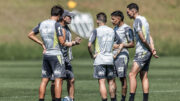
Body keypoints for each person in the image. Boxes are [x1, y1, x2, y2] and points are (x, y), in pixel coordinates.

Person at [28, 5, 64, 101]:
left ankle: (41, 99)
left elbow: (30, 34)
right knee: (58, 79)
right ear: (59, 15)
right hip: (56, 55)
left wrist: (41, 43)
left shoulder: (41, 24)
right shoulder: (57, 25)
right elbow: (62, 41)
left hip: (46, 55)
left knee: (44, 80)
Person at [126, 3, 159, 101]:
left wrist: (149, 48)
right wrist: (153, 49)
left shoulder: (137, 21)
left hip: (142, 52)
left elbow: (143, 39)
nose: (127, 14)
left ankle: (131, 99)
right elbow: (149, 36)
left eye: (128, 12)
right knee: (143, 76)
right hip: (147, 52)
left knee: (132, 74)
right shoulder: (144, 19)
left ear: (133, 11)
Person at [88, 12, 123, 101]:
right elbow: (121, 43)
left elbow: (89, 45)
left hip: (100, 60)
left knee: (102, 82)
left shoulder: (96, 30)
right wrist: (116, 54)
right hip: (110, 60)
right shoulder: (112, 30)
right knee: (111, 81)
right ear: (106, 20)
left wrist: (92, 55)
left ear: (97, 20)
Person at [51, 10, 81, 101]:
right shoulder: (58, 27)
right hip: (58, 58)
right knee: (55, 82)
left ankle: (71, 99)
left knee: (71, 80)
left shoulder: (67, 28)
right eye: (69, 17)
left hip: (66, 59)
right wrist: (74, 42)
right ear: (63, 17)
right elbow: (62, 43)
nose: (71, 18)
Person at [111, 10, 134, 101]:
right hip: (113, 56)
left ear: (119, 18)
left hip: (122, 56)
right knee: (112, 78)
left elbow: (132, 44)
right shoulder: (114, 29)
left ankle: (123, 99)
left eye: (113, 19)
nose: (112, 21)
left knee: (122, 78)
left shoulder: (127, 29)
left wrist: (122, 45)